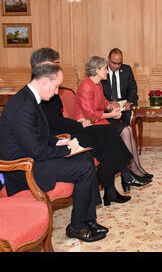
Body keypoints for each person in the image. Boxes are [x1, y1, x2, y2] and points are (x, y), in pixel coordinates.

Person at [0, 64, 108, 242]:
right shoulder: (23, 105)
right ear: (45, 81)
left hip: (35, 159)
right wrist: (66, 149)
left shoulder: (31, 99)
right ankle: (77, 227)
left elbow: (41, 135)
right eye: (56, 86)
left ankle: (87, 219)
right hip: (24, 170)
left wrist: (59, 141)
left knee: (86, 156)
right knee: (83, 167)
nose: (57, 92)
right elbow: (37, 151)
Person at [30, 48, 137, 205]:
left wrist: (81, 121)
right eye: (56, 64)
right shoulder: (38, 96)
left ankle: (115, 185)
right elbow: (56, 124)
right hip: (67, 133)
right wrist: (77, 123)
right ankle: (119, 176)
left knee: (109, 135)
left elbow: (60, 118)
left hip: (77, 126)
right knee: (109, 136)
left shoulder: (51, 91)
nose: (57, 90)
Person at [74, 56, 153, 192]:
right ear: (96, 70)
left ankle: (134, 169)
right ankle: (131, 171)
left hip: (99, 120)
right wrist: (112, 114)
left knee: (127, 129)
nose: (107, 71)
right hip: (88, 125)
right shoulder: (86, 86)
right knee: (121, 133)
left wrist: (111, 106)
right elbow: (89, 113)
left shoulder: (97, 83)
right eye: (105, 69)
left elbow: (103, 101)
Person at [101, 48, 138, 126]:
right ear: (108, 59)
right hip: (108, 105)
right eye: (114, 63)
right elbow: (99, 93)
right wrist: (109, 103)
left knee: (128, 116)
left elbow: (133, 88)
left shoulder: (127, 69)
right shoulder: (102, 72)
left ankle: (126, 134)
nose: (117, 66)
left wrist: (129, 102)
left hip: (124, 105)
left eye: (119, 63)